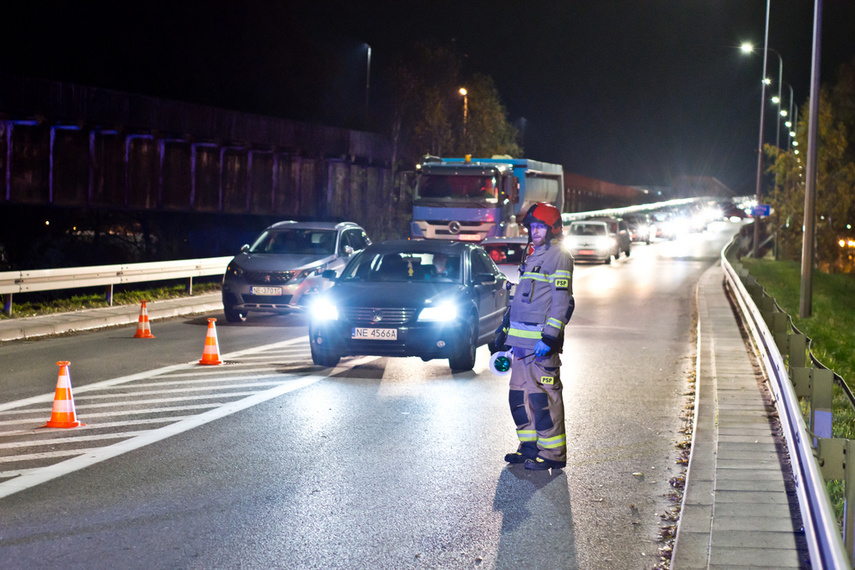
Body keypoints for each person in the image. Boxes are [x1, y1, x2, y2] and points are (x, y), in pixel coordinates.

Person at [496, 202, 574, 471]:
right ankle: (529, 446)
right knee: (519, 397)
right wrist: (504, 330)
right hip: (520, 345)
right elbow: (523, 298)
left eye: (541, 227)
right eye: (532, 227)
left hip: (540, 345)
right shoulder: (533, 255)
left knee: (542, 399)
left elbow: (562, 301)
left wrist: (550, 337)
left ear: (553, 229)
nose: (535, 231)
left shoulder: (559, 256)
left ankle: (552, 453)